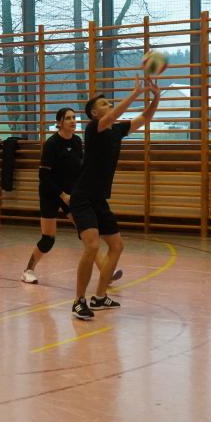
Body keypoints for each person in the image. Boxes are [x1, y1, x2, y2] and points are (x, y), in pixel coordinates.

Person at [69, 76, 161, 320]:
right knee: (92, 246)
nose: (109, 105)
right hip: (82, 197)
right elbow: (112, 116)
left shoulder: (117, 131)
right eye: (104, 104)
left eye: (110, 103)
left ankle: (99, 297)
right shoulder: (94, 128)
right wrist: (135, 92)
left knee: (117, 245)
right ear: (94, 113)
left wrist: (156, 97)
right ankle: (79, 301)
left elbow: (145, 118)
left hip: (99, 199)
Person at [21, 107, 83, 285]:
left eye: (74, 117)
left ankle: (106, 272)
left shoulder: (77, 141)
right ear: (59, 122)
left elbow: (79, 171)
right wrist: (62, 194)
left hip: (70, 194)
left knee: (86, 233)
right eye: (68, 118)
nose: (73, 121)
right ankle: (28, 271)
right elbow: (43, 175)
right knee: (48, 239)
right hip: (51, 193)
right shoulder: (52, 144)